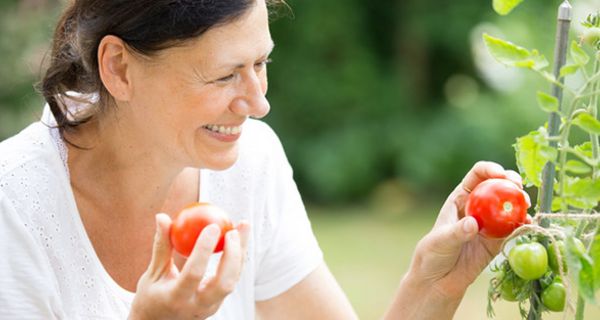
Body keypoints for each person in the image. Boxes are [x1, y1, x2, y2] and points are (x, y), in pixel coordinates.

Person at [0, 0, 530, 319]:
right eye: (226, 74)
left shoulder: (250, 160)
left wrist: (434, 283)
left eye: (261, 62)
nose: (258, 103)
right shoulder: (15, 205)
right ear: (118, 67)